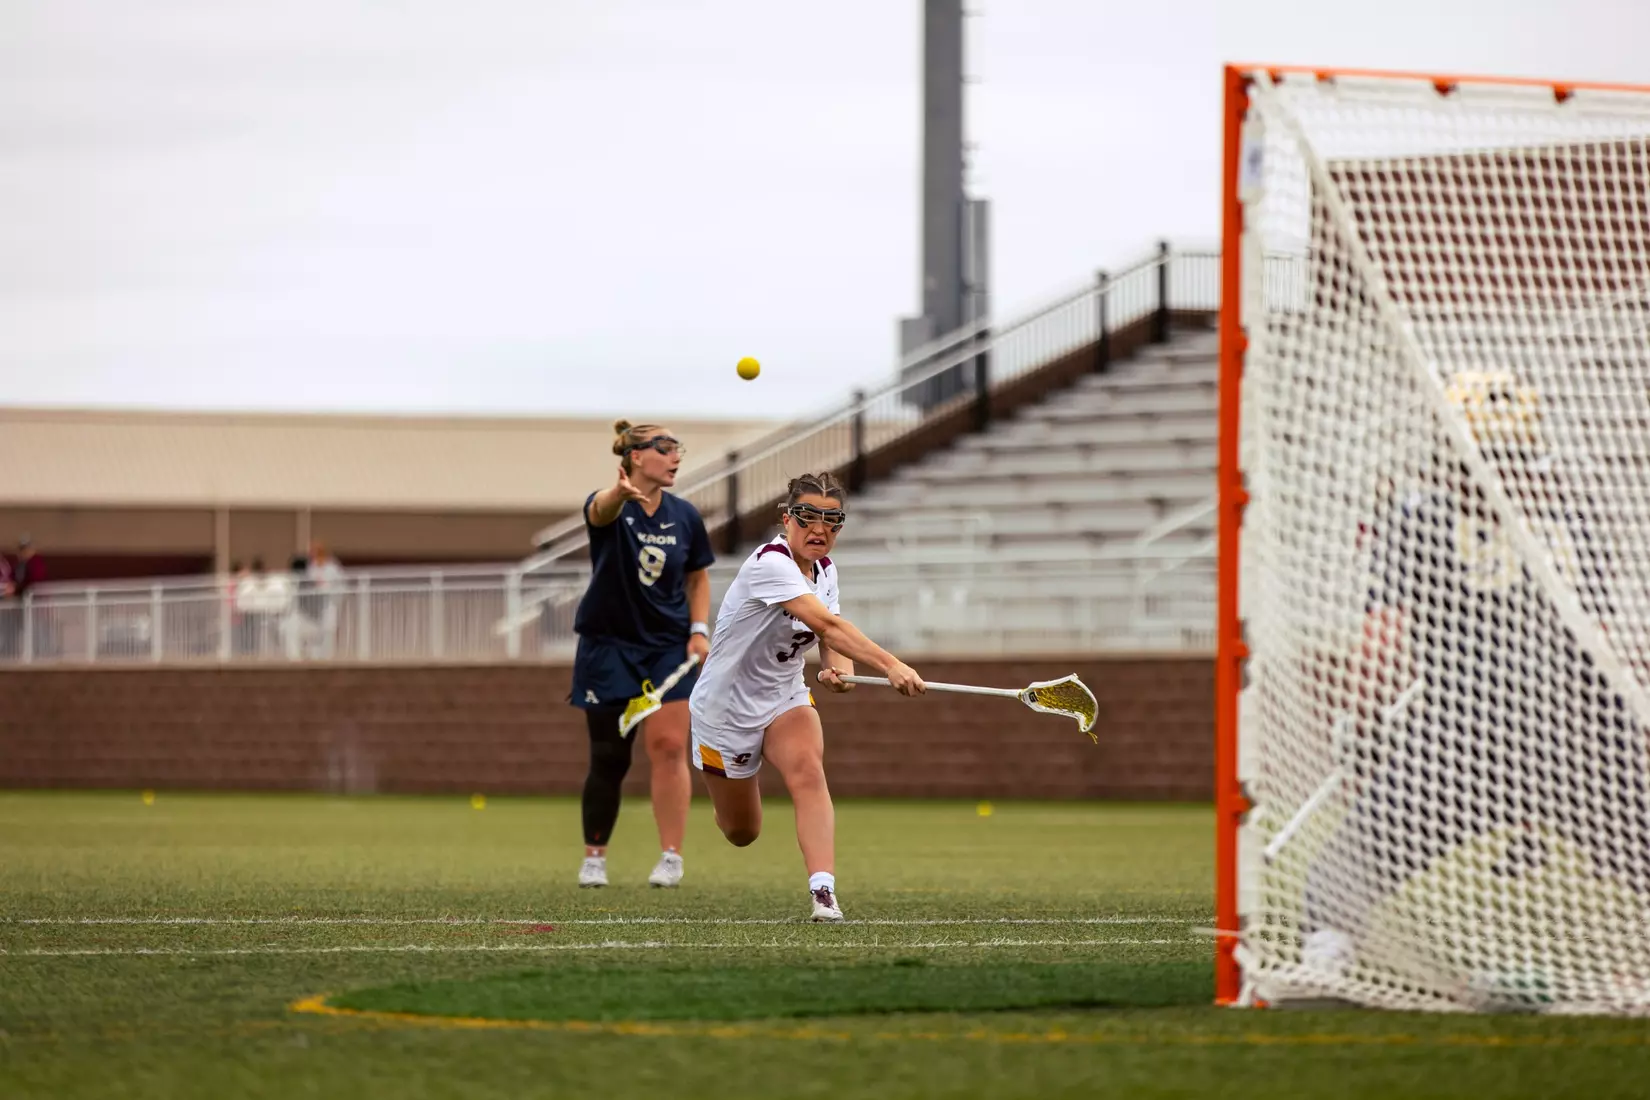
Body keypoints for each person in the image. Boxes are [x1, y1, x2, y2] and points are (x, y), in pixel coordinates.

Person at [1296, 372, 1650, 1004]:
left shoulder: (1417, 522)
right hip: (1575, 734)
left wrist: (1359, 724)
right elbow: (1600, 640)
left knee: (1340, 876)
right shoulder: (1577, 521)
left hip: (1459, 740)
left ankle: (1325, 957)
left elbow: (1379, 650)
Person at [688, 471, 926, 922]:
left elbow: (827, 633)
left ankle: (823, 891)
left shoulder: (825, 570)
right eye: (808, 516)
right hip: (725, 710)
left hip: (784, 694)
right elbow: (830, 625)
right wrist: (891, 664)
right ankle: (729, 797)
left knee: (808, 770)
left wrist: (842, 670)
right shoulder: (770, 564)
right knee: (742, 831)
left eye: (832, 520)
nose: (820, 529)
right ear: (786, 518)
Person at [570, 420, 714, 889]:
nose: (676, 457)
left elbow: (697, 576)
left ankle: (671, 856)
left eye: (678, 448)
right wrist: (619, 494)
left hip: (667, 649)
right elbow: (598, 511)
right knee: (609, 757)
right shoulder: (611, 503)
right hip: (609, 648)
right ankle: (595, 856)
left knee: (670, 747)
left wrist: (697, 630)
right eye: (666, 448)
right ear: (636, 456)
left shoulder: (686, 516)